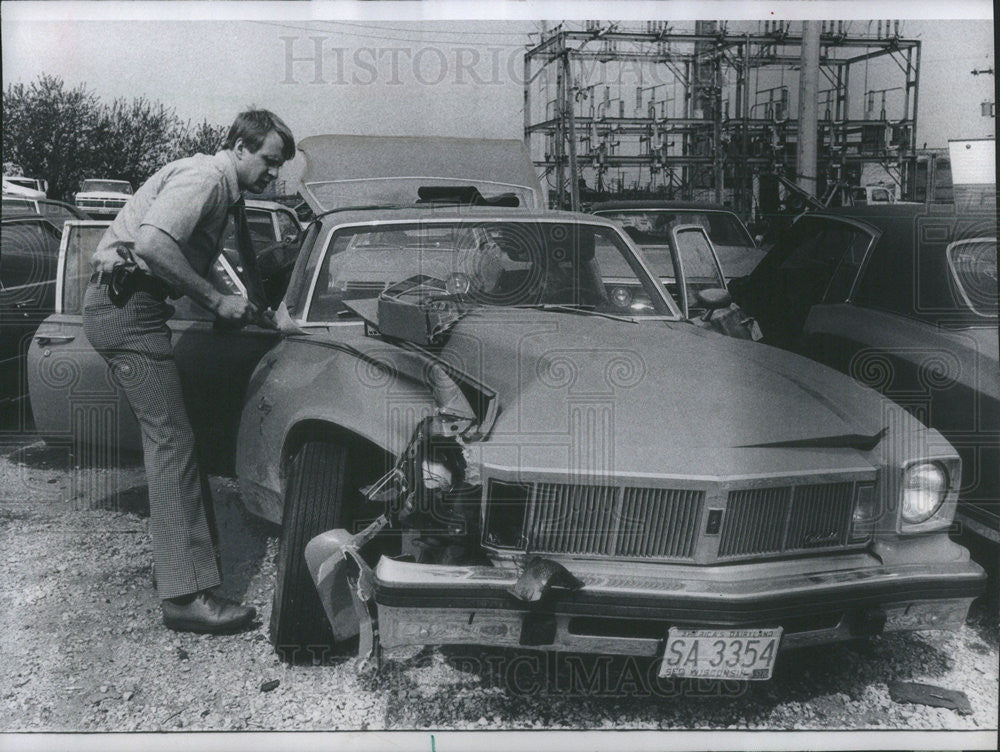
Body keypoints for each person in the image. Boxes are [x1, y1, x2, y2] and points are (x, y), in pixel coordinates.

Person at [82, 109, 295, 633]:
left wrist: (249, 310)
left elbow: (194, 264)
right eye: (269, 160)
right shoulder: (205, 177)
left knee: (178, 439)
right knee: (172, 444)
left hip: (140, 308)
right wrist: (216, 302)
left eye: (280, 165)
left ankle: (194, 568)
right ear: (240, 147)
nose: (274, 173)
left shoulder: (225, 191)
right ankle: (185, 598)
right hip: (126, 310)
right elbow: (154, 247)